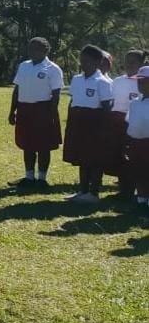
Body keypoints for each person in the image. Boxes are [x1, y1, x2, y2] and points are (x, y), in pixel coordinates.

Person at [62, 44, 115, 203]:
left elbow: (107, 106)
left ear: (98, 62)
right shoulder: (77, 79)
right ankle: (82, 190)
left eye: (87, 61)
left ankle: (93, 193)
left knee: (94, 159)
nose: (83, 64)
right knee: (81, 158)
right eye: (81, 60)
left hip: (95, 123)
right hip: (78, 122)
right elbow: (73, 100)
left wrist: (105, 129)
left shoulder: (102, 82)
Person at [9, 37, 64, 188]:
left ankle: (41, 179)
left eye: (36, 48)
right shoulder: (24, 66)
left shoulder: (53, 69)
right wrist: (12, 110)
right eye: (30, 48)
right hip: (24, 109)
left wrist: (52, 114)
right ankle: (29, 177)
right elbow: (17, 89)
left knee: (43, 145)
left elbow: (56, 94)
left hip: (43, 109)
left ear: (45, 50)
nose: (32, 51)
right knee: (27, 144)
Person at [108, 49, 144, 199]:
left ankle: (137, 187)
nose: (128, 64)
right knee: (118, 154)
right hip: (117, 122)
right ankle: (123, 186)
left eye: (133, 61)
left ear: (141, 64)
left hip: (135, 122)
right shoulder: (117, 81)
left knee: (134, 155)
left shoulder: (143, 82)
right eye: (126, 60)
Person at [124, 65, 149, 223]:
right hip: (136, 144)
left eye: (144, 81)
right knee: (140, 174)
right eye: (138, 81)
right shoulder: (135, 102)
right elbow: (129, 123)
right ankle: (141, 202)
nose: (140, 84)